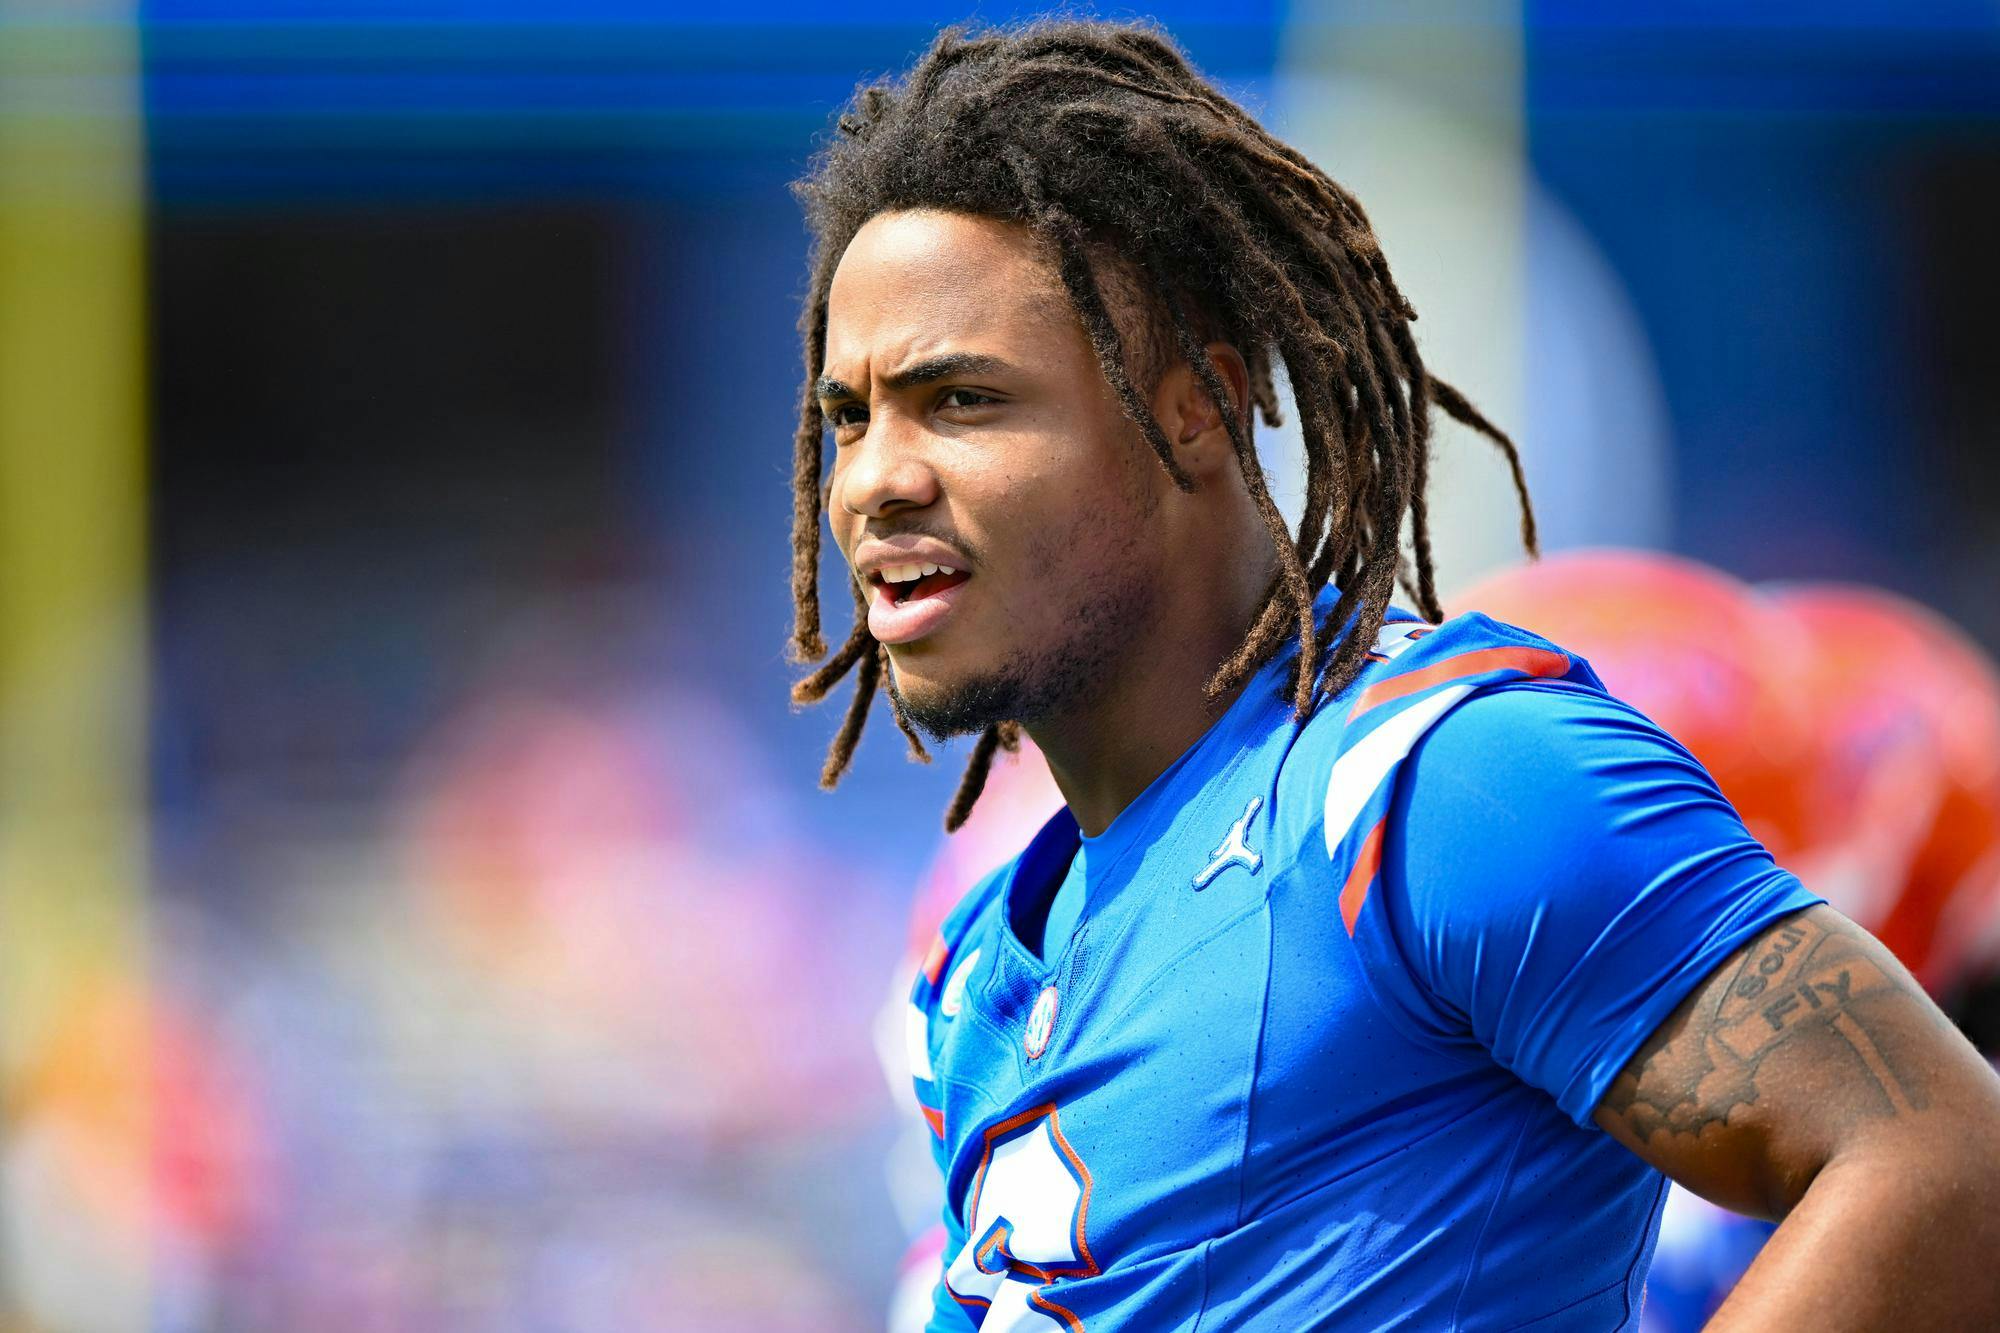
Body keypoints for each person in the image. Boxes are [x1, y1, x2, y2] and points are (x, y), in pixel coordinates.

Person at [782, 19, 2000, 1330]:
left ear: (1193, 398)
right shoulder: (985, 961)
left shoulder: (1433, 783)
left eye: (961, 400)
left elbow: (1942, 1156)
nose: (873, 478)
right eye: (849, 415)